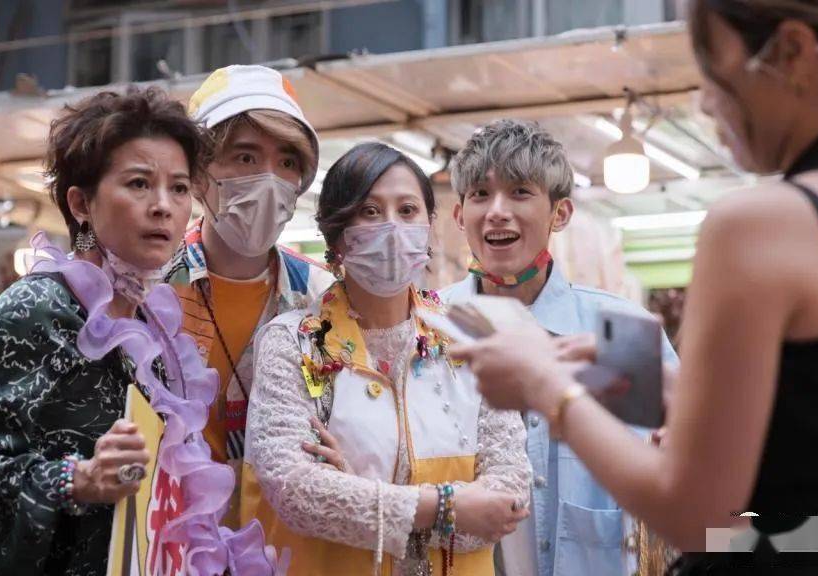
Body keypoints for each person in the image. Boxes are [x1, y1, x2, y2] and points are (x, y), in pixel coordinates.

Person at [455, 1, 818, 573]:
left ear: (792, 52)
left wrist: (546, 385)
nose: (707, 102)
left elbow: (695, 516)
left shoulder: (758, 225)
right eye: (479, 196)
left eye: (713, 70)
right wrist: (681, 394)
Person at [0, 87, 274, 575]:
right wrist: (78, 479)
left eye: (179, 188)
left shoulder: (157, 329)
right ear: (81, 203)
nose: (163, 206)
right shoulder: (39, 311)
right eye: (139, 183)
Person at [241, 142, 532, 575]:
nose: (392, 228)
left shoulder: (472, 339)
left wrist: (359, 495)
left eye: (408, 210)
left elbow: (507, 499)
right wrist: (448, 507)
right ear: (336, 236)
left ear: (429, 226)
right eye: (370, 212)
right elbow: (296, 493)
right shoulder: (292, 343)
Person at [439, 118, 678, 576]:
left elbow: (680, 460)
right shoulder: (431, 326)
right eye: (480, 194)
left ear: (560, 214)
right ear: (459, 215)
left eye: (520, 192)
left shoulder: (619, 330)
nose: (497, 211)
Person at [166, 65, 333, 527]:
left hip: (281, 541)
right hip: (170, 539)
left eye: (287, 163)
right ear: (198, 175)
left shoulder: (322, 299)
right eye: (245, 157)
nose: (269, 179)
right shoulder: (150, 290)